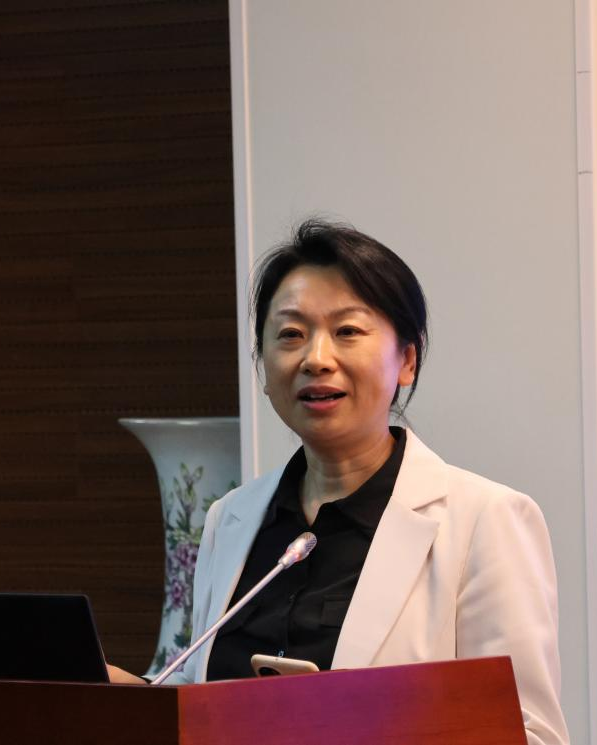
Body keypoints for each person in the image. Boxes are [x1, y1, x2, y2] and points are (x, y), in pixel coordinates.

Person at [110, 219, 569, 745]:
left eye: (347, 331)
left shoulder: (485, 521)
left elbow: (530, 734)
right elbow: (203, 704)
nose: (316, 359)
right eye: (291, 335)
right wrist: (124, 696)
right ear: (263, 367)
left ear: (407, 360)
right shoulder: (229, 519)